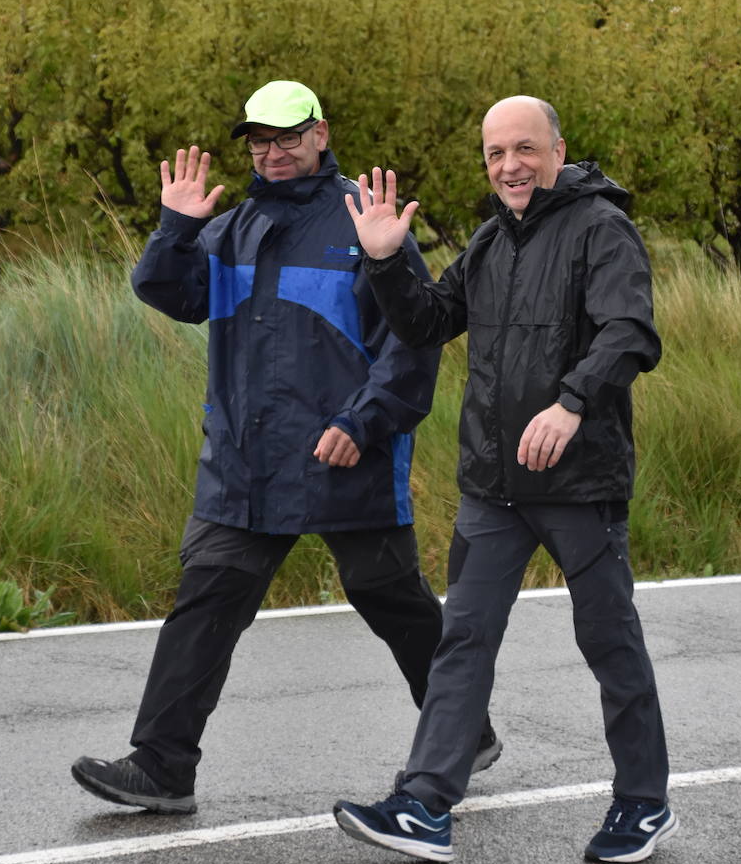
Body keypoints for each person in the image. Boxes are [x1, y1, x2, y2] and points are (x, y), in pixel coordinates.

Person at [71, 80, 501, 815]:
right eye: (259, 140)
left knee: (388, 597)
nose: (272, 151)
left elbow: (413, 339)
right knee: (207, 597)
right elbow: (169, 293)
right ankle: (163, 766)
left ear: (320, 134)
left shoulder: (363, 222)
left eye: (287, 136)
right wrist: (175, 226)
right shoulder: (231, 228)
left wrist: (363, 422)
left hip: (345, 451)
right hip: (244, 461)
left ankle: (462, 733)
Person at [333, 95, 675, 864]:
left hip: (580, 479)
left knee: (608, 640)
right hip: (495, 483)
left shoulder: (601, 229)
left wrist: (572, 404)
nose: (510, 166)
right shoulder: (490, 241)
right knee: (463, 640)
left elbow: (631, 333)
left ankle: (643, 803)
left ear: (558, 151)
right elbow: (425, 322)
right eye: (495, 154)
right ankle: (424, 805)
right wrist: (387, 258)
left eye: (525, 149)